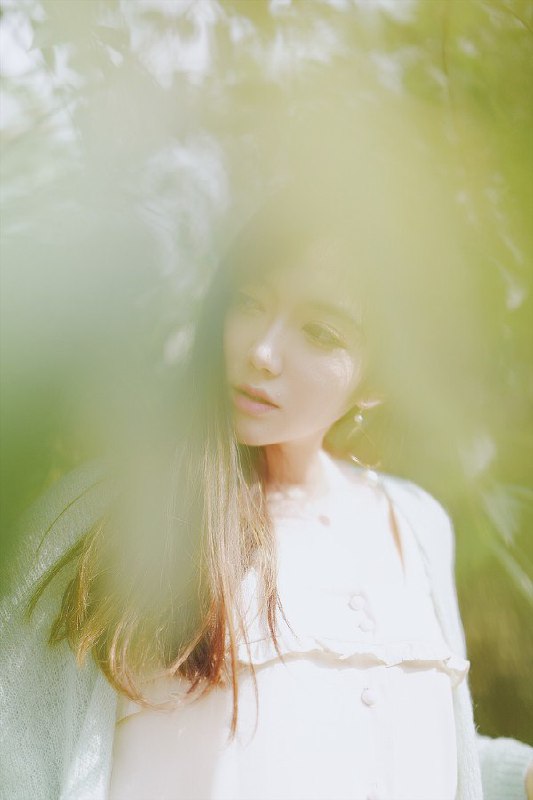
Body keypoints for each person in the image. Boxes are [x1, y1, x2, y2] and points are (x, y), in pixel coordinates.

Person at [1, 177, 532, 800]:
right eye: (250, 302)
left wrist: (516, 775)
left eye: (320, 332)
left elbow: (406, 737)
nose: (262, 350)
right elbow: (21, 749)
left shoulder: (417, 524)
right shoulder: (108, 512)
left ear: (378, 382)